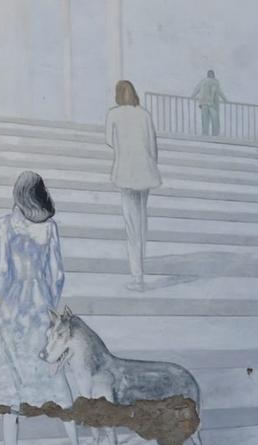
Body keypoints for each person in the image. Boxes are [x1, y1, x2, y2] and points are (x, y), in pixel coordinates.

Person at [0, 171, 88, 445]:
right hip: (41, 307)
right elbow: (57, 275)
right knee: (56, 380)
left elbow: (2, 272)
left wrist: (1, 301)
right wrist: (47, 301)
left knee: (10, 390)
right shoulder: (50, 228)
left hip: (11, 312)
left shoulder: (3, 225)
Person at [105, 80, 162, 292]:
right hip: (145, 172)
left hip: (126, 174)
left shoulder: (114, 114)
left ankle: (137, 277)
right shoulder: (145, 114)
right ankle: (140, 272)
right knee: (141, 223)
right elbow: (153, 146)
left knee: (131, 227)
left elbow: (108, 141)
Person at [191, 69, 227, 136]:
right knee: (212, 118)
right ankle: (212, 134)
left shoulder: (206, 81)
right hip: (209, 103)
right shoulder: (211, 82)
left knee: (208, 118)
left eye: (211, 74)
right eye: (210, 74)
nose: (210, 75)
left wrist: (192, 96)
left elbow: (197, 89)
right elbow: (219, 92)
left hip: (206, 103)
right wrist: (225, 100)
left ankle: (208, 133)